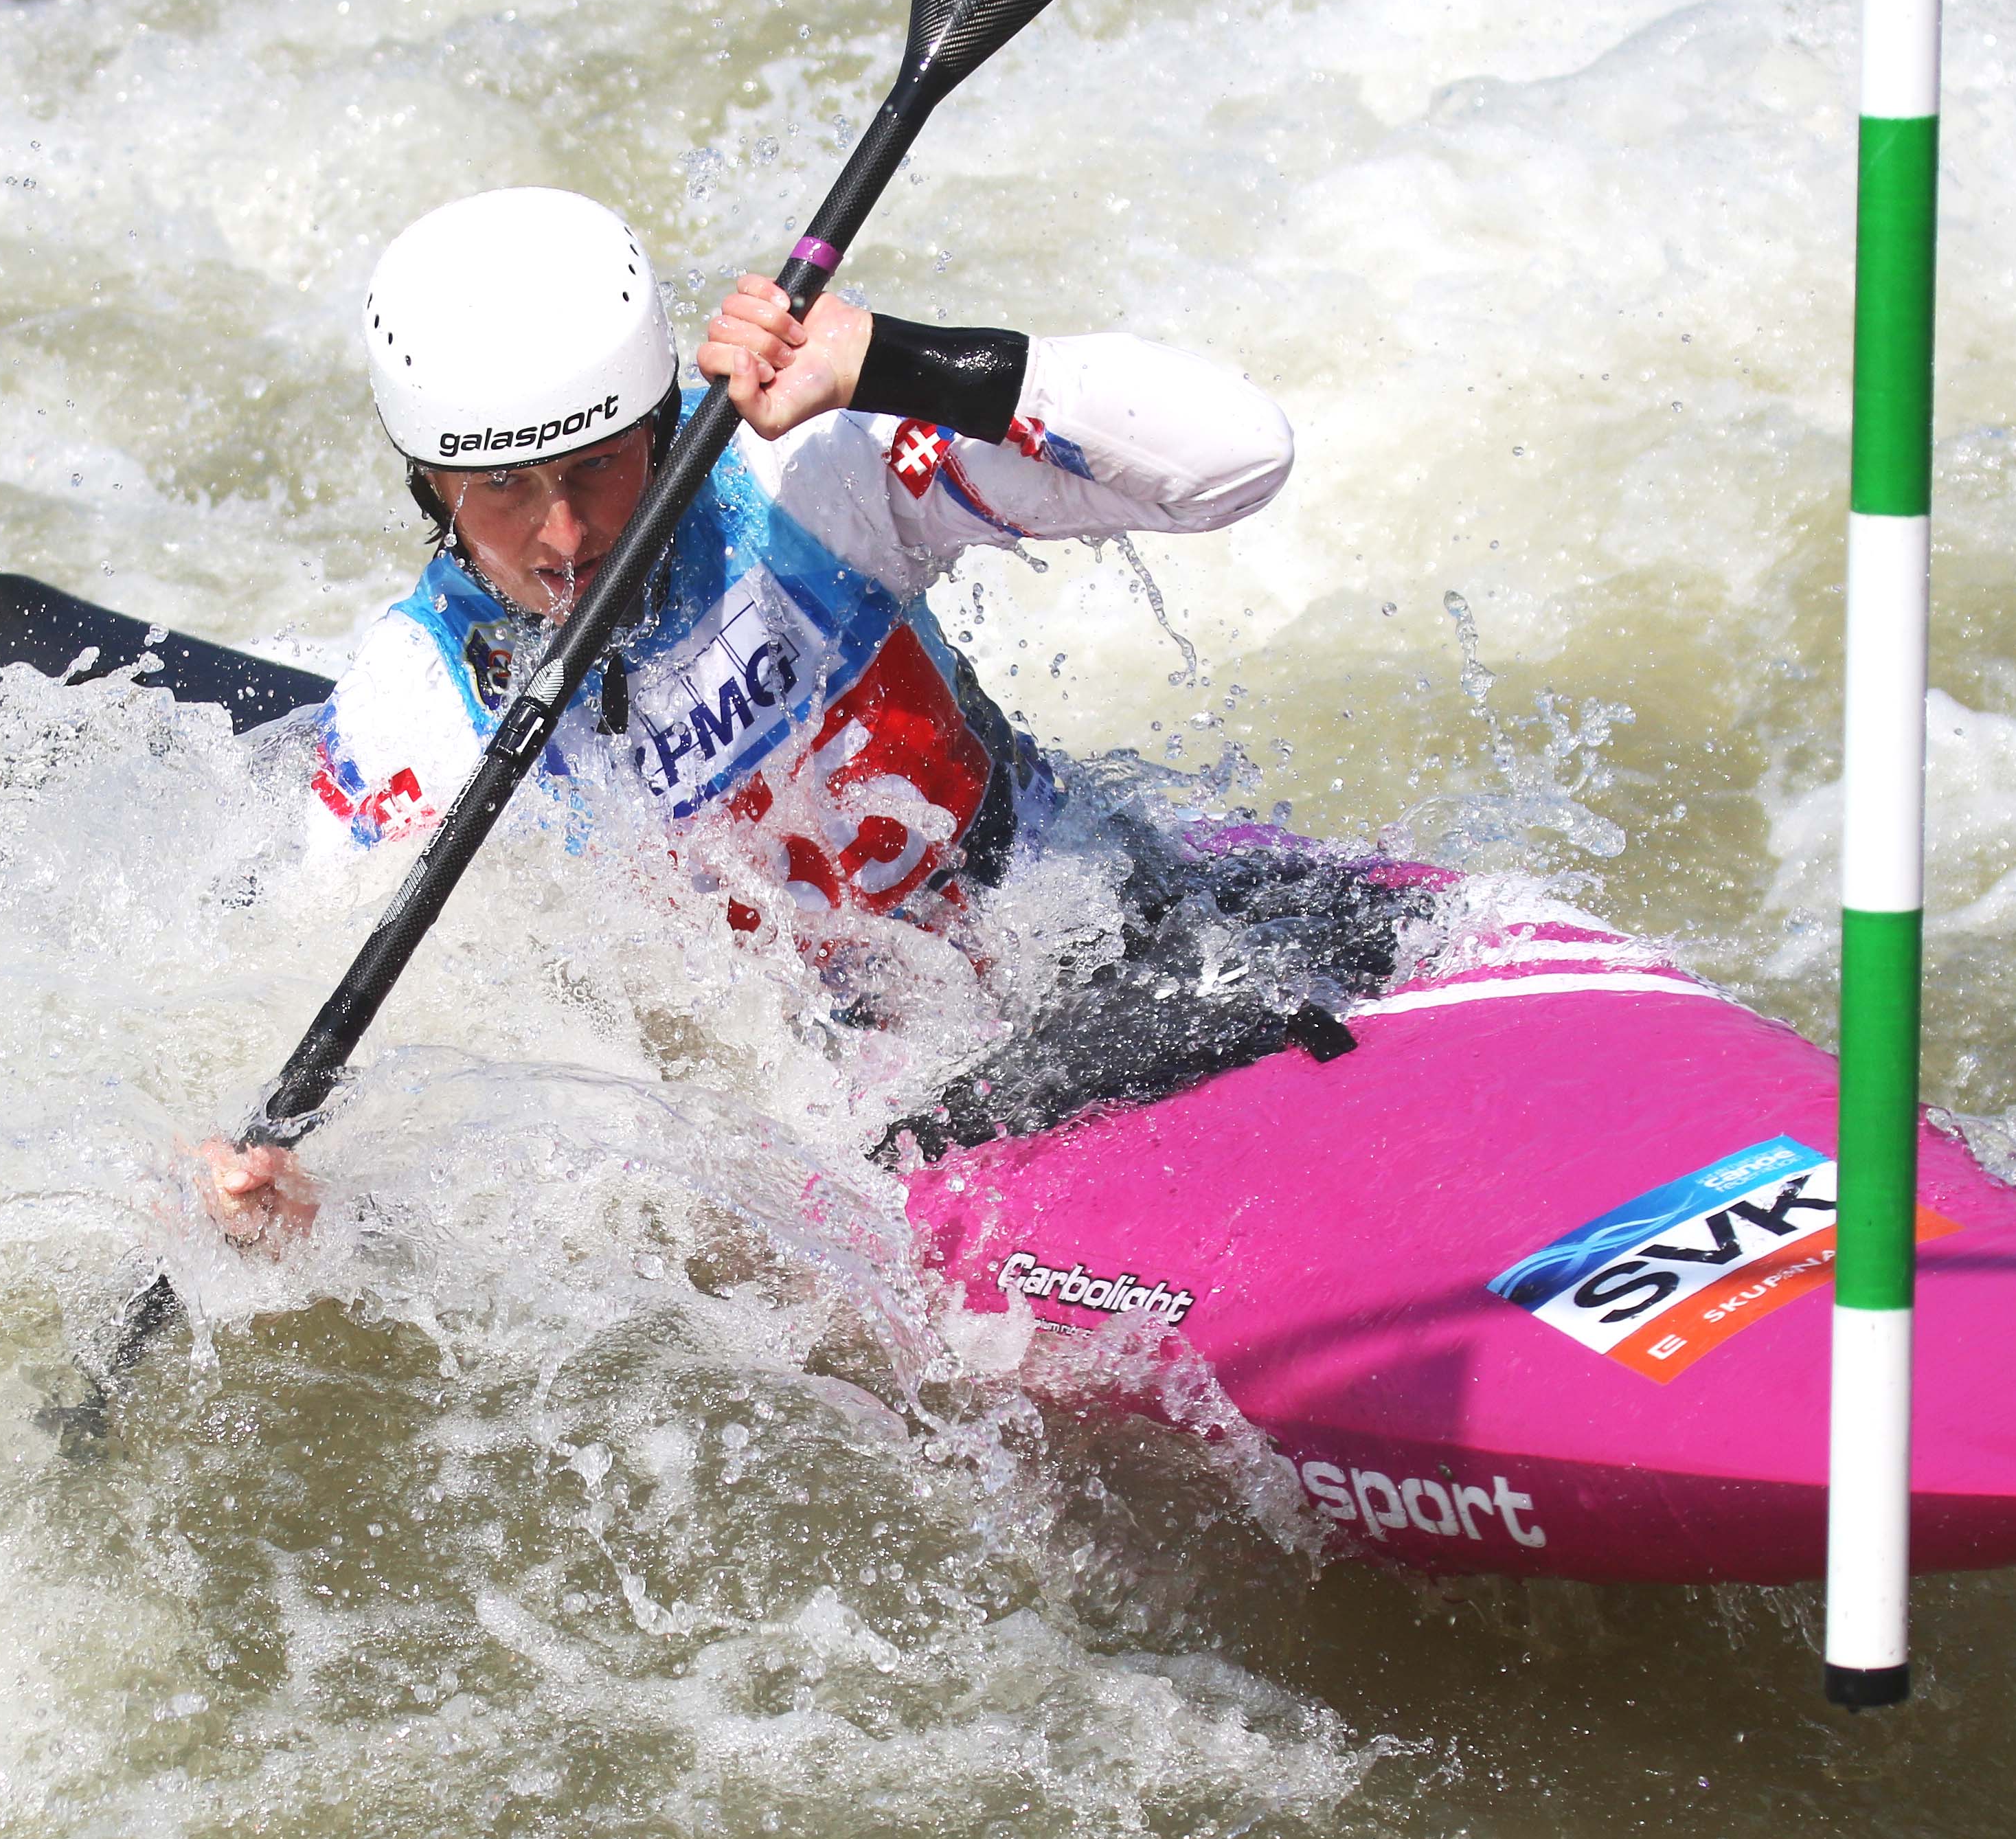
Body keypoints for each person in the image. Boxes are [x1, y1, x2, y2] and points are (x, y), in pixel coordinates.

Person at [201, 184, 1300, 1245]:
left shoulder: (802, 476)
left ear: (663, 420)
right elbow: (366, 1069)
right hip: (874, 1123)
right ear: (430, 489)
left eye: (597, 469)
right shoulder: (420, 709)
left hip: (1109, 924)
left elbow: (1238, 461)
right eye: (504, 491)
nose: (567, 538)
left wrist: (890, 359)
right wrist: (303, 1201)